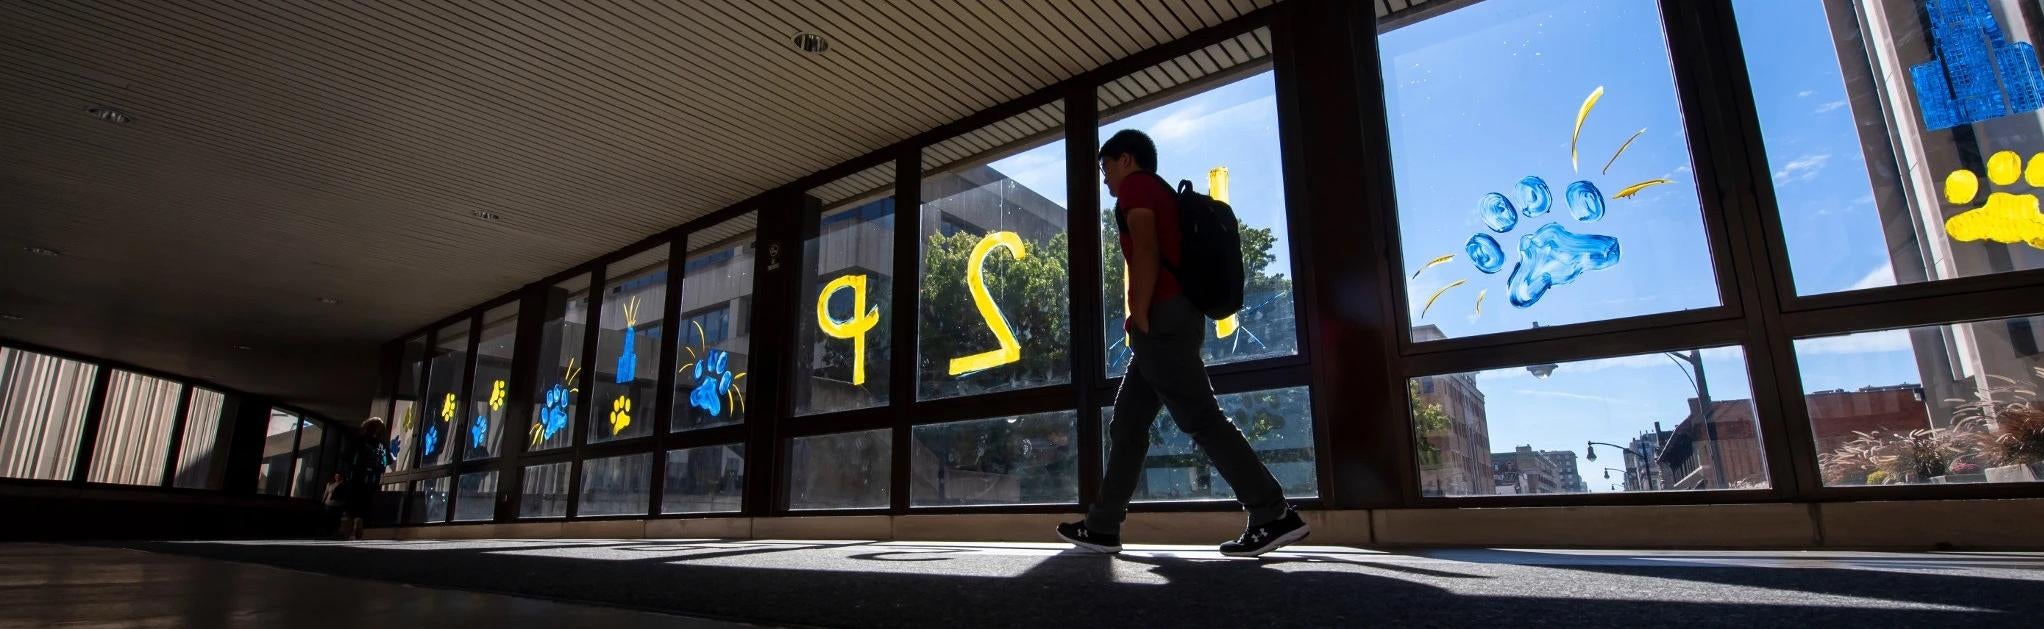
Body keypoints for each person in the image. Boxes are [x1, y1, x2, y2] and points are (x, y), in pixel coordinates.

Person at [1057, 129, 1308, 558]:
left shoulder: (1137, 187)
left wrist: (1138, 314)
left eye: (1105, 167)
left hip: (1163, 320)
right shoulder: (1161, 192)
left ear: (1127, 160)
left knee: (1200, 418)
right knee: (1129, 425)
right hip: (1174, 318)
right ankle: (1102, 527)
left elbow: (1146, 251)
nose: (1104, 179)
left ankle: (1272, 512)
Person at [342, 417, 394, 540]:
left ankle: (349, 527)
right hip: (372, 479)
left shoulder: (358, 441)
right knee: (365, 503)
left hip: (356, 476)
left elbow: (347, 457)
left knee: (352, 502)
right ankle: (359, 523)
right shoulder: (382, 445)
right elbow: (387, 461)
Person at [321, 472, 346, 538]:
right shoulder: (330, 484)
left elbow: (344, 496)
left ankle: (333, 533)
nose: (337, 477)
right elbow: (326, 493)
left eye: (338, 476)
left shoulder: (342, 485)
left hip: (337, 505)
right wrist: (323, 501)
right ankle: (326, 532)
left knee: (335, 520)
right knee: (327, 518)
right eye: (336, 476)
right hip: (328, 504)